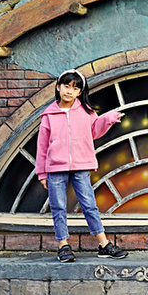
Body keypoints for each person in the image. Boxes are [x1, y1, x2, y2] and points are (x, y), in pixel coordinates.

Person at [35, 69, 129, 263]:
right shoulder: (48, 116)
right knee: (58, 207)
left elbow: (94, 131)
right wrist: (42, 173)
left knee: (89, 205)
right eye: (67, 86)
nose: (70, 91)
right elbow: (42, 147)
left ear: (80, 92)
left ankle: (103, 244)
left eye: (75, 88)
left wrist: (109, 118)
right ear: (58, 87)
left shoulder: (86, 112)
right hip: (55, 169)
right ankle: (63, 246)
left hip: (81, 166)